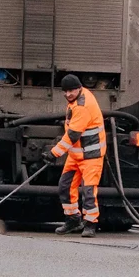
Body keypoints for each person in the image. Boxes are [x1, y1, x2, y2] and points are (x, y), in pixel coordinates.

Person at [44, 74, 106, 237]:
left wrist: (54, 153)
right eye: (65, 91)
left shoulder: (82, 106)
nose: (68, 94)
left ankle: (91, 224)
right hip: (76, 154)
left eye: (71, 90)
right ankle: (73, 219)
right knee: (65, 186)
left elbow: (73, 135)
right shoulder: (77, 99)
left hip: (91, 155)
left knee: (88, 190)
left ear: (79, 88)